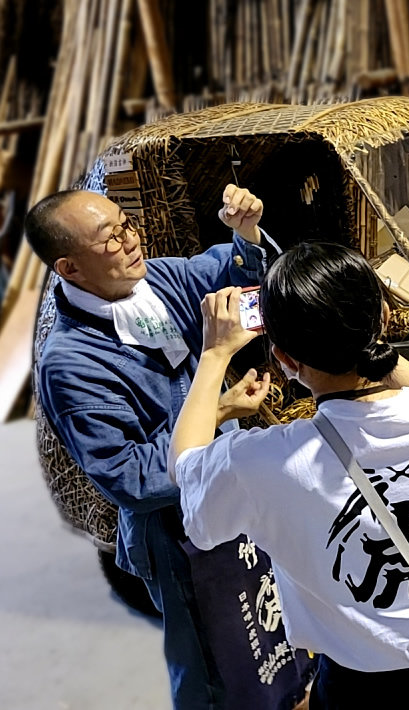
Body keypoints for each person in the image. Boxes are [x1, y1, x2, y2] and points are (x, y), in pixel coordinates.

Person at [167, 242, 409, 709]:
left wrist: (213, 355)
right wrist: (361, 326)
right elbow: (407, 384)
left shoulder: (263, 465)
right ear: (384, 319)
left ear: (285, 361)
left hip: (365, 685)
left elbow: (185, 470)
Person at [30, 185, 293, 709]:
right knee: (213, 667)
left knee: (267, 641)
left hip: (230, 490)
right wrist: (217, 411)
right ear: (70, 268)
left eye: (126, 224)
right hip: (174, 531)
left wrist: (244, 233)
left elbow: (238, 287)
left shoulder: (158, 279)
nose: (131, 240)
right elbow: (128, 478)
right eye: (110, 238)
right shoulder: (71, 362)